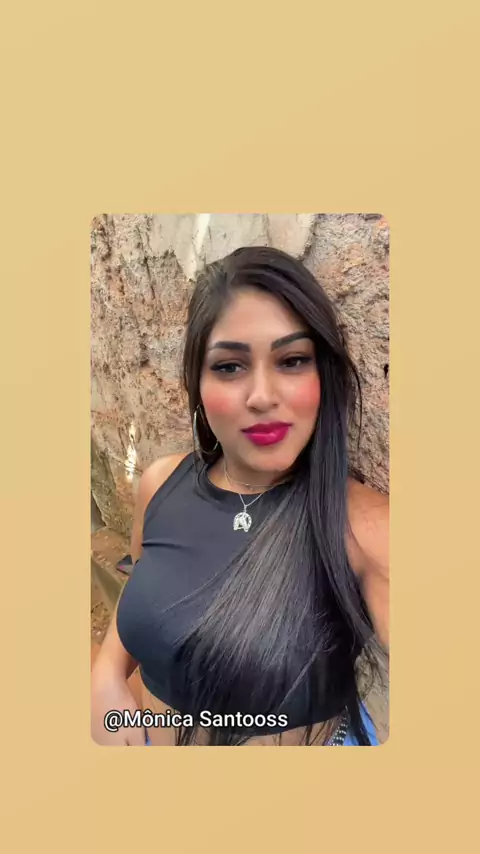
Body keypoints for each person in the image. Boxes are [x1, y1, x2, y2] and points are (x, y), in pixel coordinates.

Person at [91, 245, 389, 746]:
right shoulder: (161, 482)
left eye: (292, 360)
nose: (262, 396)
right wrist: (107, 673)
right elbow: (148, 589)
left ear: (324, 376)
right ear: (197, 384)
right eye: (229, 367)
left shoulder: (363, 526)